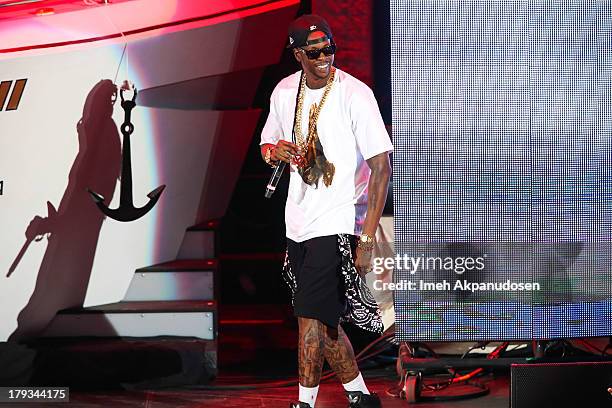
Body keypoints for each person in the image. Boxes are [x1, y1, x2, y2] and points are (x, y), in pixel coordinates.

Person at [260, 14, 392, 408]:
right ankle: (360, 396)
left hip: (339, 219)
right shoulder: (285, 92)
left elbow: (382, 169)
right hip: (298, 221)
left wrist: (367, 238)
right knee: (323, 314)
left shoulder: (355, 94)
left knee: (309, 318)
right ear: (297, 53)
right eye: (315, 51)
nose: (324, 57)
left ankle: (304, 402)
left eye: (329, 48)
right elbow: (268, 141)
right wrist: (273, 152)